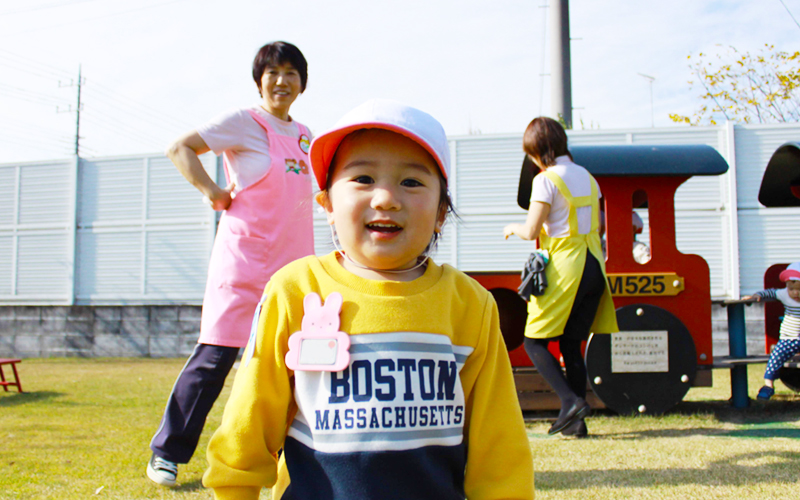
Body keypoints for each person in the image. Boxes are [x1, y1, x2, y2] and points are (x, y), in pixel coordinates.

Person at [203, 99, 535, 500]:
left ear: (441, 213)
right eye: (362, 178)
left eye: (411, 182)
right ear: (326, 204)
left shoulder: (469, 304)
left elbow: (499, 448)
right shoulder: (294, 290)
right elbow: (249, 422)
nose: (385, 198)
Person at [146, 41, 315, 487]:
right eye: (273, 72)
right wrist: (213, 192)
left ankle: (290, 457)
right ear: (259, 79)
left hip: (292, 265)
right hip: (244, 259)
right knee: (215, 357)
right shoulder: (243, 121)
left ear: (302, 82)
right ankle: (166, 452)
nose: (282, 81)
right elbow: (179, 148)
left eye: (291, 73)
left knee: (296, 363)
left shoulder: (305, 136)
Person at [504, 116, 618, 438]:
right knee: (571, 343)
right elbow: (600, 225)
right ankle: (576, 424)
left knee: (533, 340)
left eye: (530, 154)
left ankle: (570, 402)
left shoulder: (546, 180)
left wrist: (511, 229)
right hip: (595, 264)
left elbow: (530, 230)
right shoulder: (589, 178)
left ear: (539, 151)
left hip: (567, 267)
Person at [742, 261, 800, 401]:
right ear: (787, 287)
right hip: (788, 338)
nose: (795, 293)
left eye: (799, 289)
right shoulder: (784, 294)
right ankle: (768, 386)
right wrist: (756, 295)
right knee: (775, 358)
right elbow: (770, 292)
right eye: (792, 289)